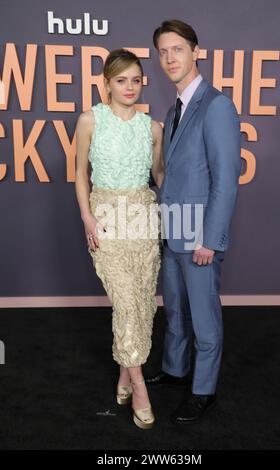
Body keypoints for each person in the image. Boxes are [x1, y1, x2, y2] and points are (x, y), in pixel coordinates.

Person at [146, 20, 242, 424]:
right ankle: (175, 369)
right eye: (163, 52)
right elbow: (170, 175)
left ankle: (203, 389)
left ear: (195, 52)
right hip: (173, 231)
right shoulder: (173, 109)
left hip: (199, 237)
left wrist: (211, 239)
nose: (170, 58)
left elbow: (225, 180)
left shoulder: (217, 105)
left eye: (177, 50)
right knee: (174, 311)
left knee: (203, 317)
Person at [75, 48, 164, 430]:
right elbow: (80, 174)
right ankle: (140, 385)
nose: (129, 87)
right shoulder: (89, 120)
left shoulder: (153, 127)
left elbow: (158, 177)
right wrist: (87, 218)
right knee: (126, 302)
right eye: (121, 80)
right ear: (106, 83)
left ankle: (125, 374)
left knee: (143, 304)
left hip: (144, 220)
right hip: (106, 219)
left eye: (136, 80)